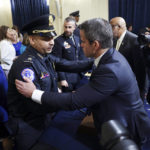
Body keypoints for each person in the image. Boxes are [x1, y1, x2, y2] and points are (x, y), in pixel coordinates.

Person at [16, 18, 150, 150]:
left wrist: (34, 93)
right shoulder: (110, 56)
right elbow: (69, 66)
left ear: (95, 45)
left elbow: (74, 101)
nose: (80, 45)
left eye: (83, 41)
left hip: (125, 127)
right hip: (113, 120)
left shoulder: (110, 69)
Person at [7, 14, 93, 150]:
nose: (52, 42)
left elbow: (69, 64)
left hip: (45, 119)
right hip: (30, 127)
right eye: (46, 39)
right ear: (32, 40)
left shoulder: (44, 56)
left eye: (52, 37)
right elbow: (34, 105)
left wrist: (95, 61)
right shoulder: (25, 66)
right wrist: (69, 100)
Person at [51, 16, 89, 136]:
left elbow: (82, 56)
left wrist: (86, 69)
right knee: (67, 102)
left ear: (75, 27)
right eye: (65, 27)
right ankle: (64, 127)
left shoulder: (78, 39)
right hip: (67, 77)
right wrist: (62, 79)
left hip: (79, 75)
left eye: (69, 27)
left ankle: (76, 124)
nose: (67, 29)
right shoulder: (58, 41)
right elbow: (57, 62)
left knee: (77, 99)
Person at [110, 17, 147, 100]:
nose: (110, 29)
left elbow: (140, 71)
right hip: (118, 86)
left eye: (111, 27)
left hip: (131, 88)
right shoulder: (114, 40)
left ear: (119, 27)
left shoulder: (134, 41)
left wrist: (141, 93)